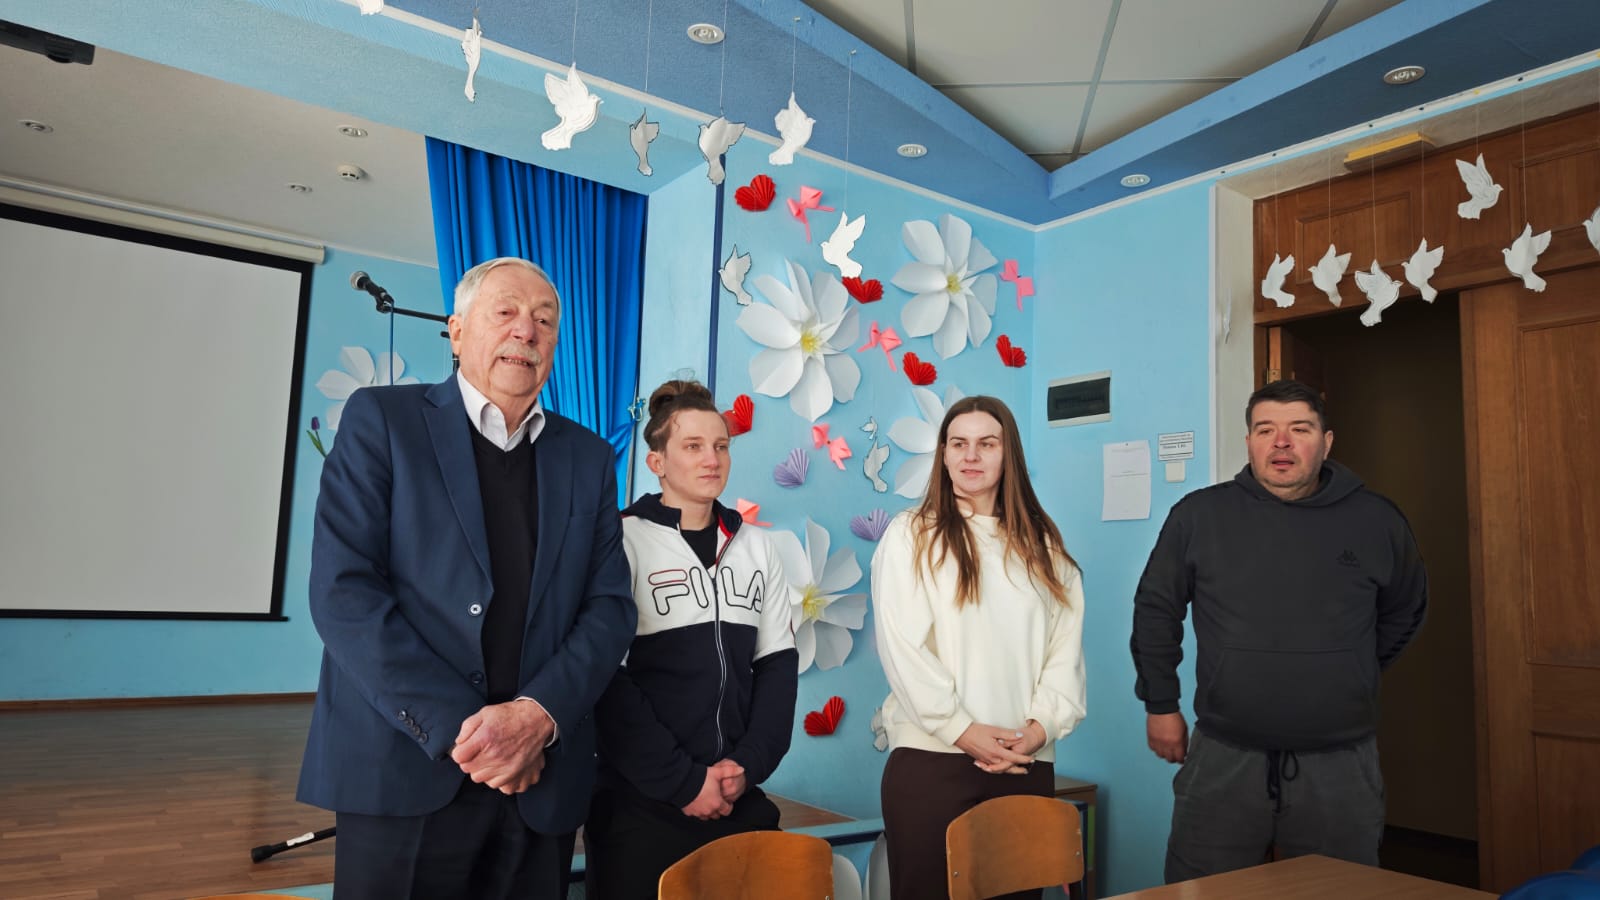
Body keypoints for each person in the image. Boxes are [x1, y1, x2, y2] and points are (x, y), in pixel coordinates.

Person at [297, 257, 637, 899]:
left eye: (544, 320)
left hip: (541, 776)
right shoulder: (382, 421)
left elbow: (609, 608)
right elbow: (344, 592)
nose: (526, 330)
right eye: (505, 312)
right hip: (404, 768)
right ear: (456, 330)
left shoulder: (588, 457)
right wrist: (472, 733)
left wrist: (536, 717)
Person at [1131, 378, 1428, 883]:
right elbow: (1156, 609)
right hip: (1223, 754)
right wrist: (1161, 704)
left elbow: (1407, 608)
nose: (1282, 442)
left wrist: (1348, 664)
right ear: (1249, 441)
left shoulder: (1377, 520)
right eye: (1266, 429)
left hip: (1340, 762)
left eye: (1300, 429)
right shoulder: (1199, 516)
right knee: (1200, 890)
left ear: (1326, 442)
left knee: (1341, 891)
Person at [583, 379, 799, 899]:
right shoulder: (621, 540)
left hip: (735, 792)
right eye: (693, 446)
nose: (712, 459)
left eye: (721, 446)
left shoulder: (757, 547)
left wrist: (747, 767)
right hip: (641, 801)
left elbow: (777, 667)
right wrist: (683, 782)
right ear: (656, 461)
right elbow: (607, 680)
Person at [872, 395, 1087, 900]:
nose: (971, 456)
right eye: (958, 444)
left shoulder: (1044, 548)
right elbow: (903, 648)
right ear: (943, 455)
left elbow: (1064, 656)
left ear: (1008, 455)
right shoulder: (911, 535)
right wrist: (961, 731)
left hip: (1024, 762)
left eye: (987, 444)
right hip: (934, 762)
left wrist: (1038, 731)